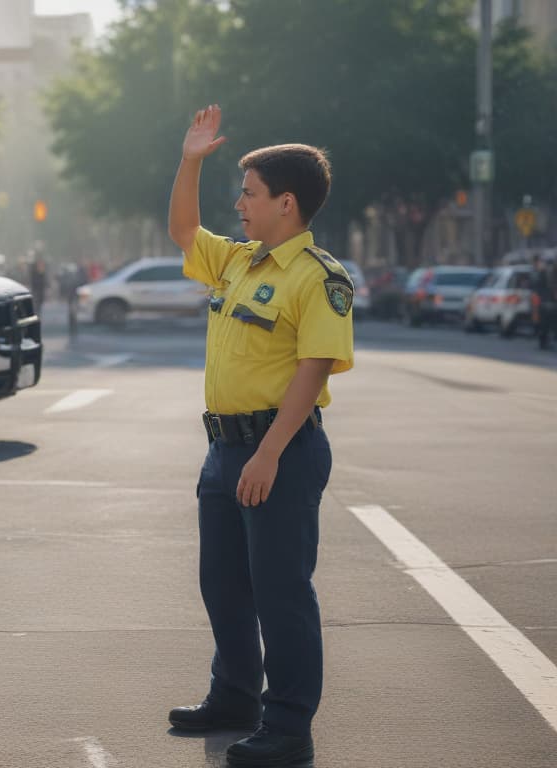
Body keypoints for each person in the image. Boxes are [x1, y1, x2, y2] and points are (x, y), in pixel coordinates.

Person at [166, 104, 353, 767]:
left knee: (281, 593)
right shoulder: (239, 262)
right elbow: (185, 230)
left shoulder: (318, 278)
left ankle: (289, 727)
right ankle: (235, 696)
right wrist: (190, 158)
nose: (238, 204)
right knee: (223, 582)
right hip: (224, 449)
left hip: (280, 452)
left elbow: (315, 367)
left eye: (248, 193)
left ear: (286, 203)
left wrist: (270, 452)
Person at [531, 254, 554, 349]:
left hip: (544, 301)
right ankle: (543, 341)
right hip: (542, 301)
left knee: (545, 323)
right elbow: (539, 288)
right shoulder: (540, 273)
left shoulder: (542, 272)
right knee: (543, 323)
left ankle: (544, 341)